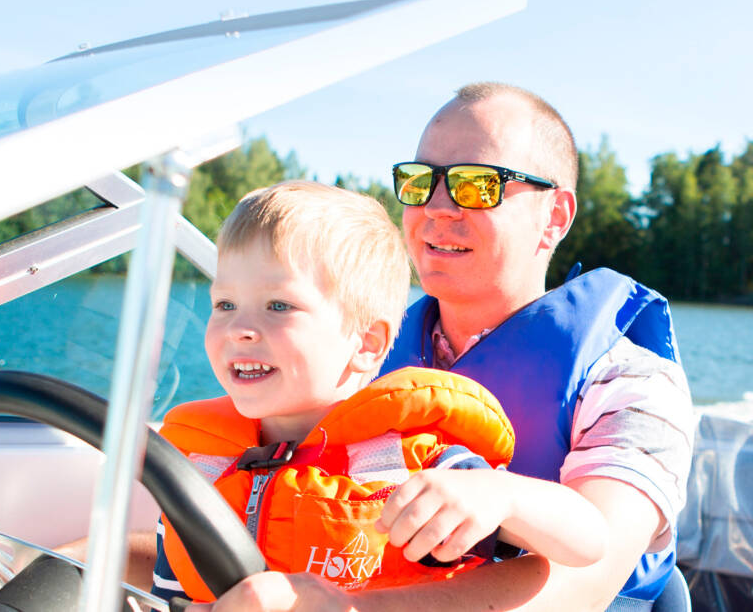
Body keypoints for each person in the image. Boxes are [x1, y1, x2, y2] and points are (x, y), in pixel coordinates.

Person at [190, 83, 694, 612]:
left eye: (477, 186)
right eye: (418, 181)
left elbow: (588, 580)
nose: (436, 207)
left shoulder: (631, 382)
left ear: (555, 217)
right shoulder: (357, 354)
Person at [155, 180, 609, 604]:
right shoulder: (197, 465)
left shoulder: (412, 463)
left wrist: (501, 494)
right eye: (225, 304)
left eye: (279, 305)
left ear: (367, 344)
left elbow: (587, 541)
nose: (239, 329)